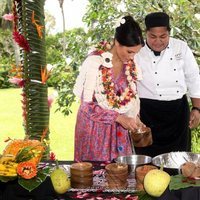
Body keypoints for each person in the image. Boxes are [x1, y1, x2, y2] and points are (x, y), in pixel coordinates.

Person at [73, 15, 145, 162]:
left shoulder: (130, 66)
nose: (132, 57)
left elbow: (129, 98)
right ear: (117, 42)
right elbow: (86, 106)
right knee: (93, 178)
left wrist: (134, 119)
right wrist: (117, 117)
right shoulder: (95, 63)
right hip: (95, 132)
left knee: (120, 177)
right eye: (130, 51)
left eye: (136, 53)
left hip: (119, 133)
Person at [135, 12, 200, 157]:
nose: (158, 41)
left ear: (169, 33)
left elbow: (194, 78)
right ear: (146, 33)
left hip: (177, 112)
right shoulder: (137, 51)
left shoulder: (181, 47)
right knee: (147, 159)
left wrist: (197, 108)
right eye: (153, 37)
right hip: (147, 112)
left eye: (163, 36)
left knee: (179, 158)